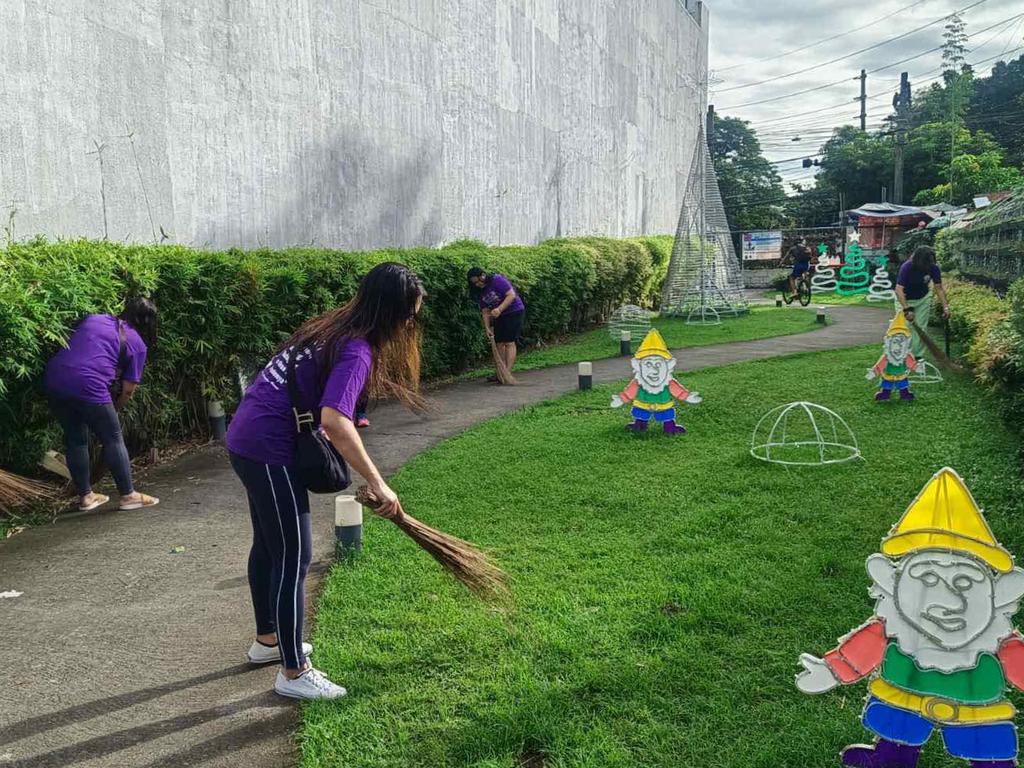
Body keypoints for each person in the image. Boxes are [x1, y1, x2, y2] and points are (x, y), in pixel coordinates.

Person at [226, 262, 425, 701]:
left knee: (269, 544)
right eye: (409, 314)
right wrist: (379, 482)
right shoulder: (355, 348)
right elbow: (335, 420)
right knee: (295, 557)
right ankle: (294, 673)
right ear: (391, 312)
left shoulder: (331, 327)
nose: (411, 324)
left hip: (245, 436)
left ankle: (269, 642)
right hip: (267, 450)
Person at [43, 297, 160, 512]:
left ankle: (86, 497)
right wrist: (115, 408)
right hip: (89, 384)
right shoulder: (137, 344)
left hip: (54, 379)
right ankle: (128, 495)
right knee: (113, 437)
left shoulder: (93, 319)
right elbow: (128, 389)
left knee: (75, 439)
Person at [467, 267, 525, 383]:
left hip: (514, 311)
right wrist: (487, 328)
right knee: (499, 343)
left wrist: (499, 309)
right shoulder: (479, 291)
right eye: (475, 283)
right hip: (499, 316)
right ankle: (500, 372)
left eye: (479, 280)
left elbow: (511, 295)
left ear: (483, 275)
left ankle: (506, 373)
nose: (478, 284)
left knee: (509, 342)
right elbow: (485, 310)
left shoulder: (497, 280)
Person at [895, 245, 950, 362]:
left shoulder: (933, 268)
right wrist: (906, 309)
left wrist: (946, 307)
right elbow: (899, 289)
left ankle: (917, 356)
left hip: (922, 299)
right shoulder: (907, 267)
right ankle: (903, 354)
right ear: (920, 259)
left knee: (921, 327)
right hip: (904, 299)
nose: (930, 263)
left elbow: (938, 288)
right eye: (928, 261)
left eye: (932, 260)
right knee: (905, 327)